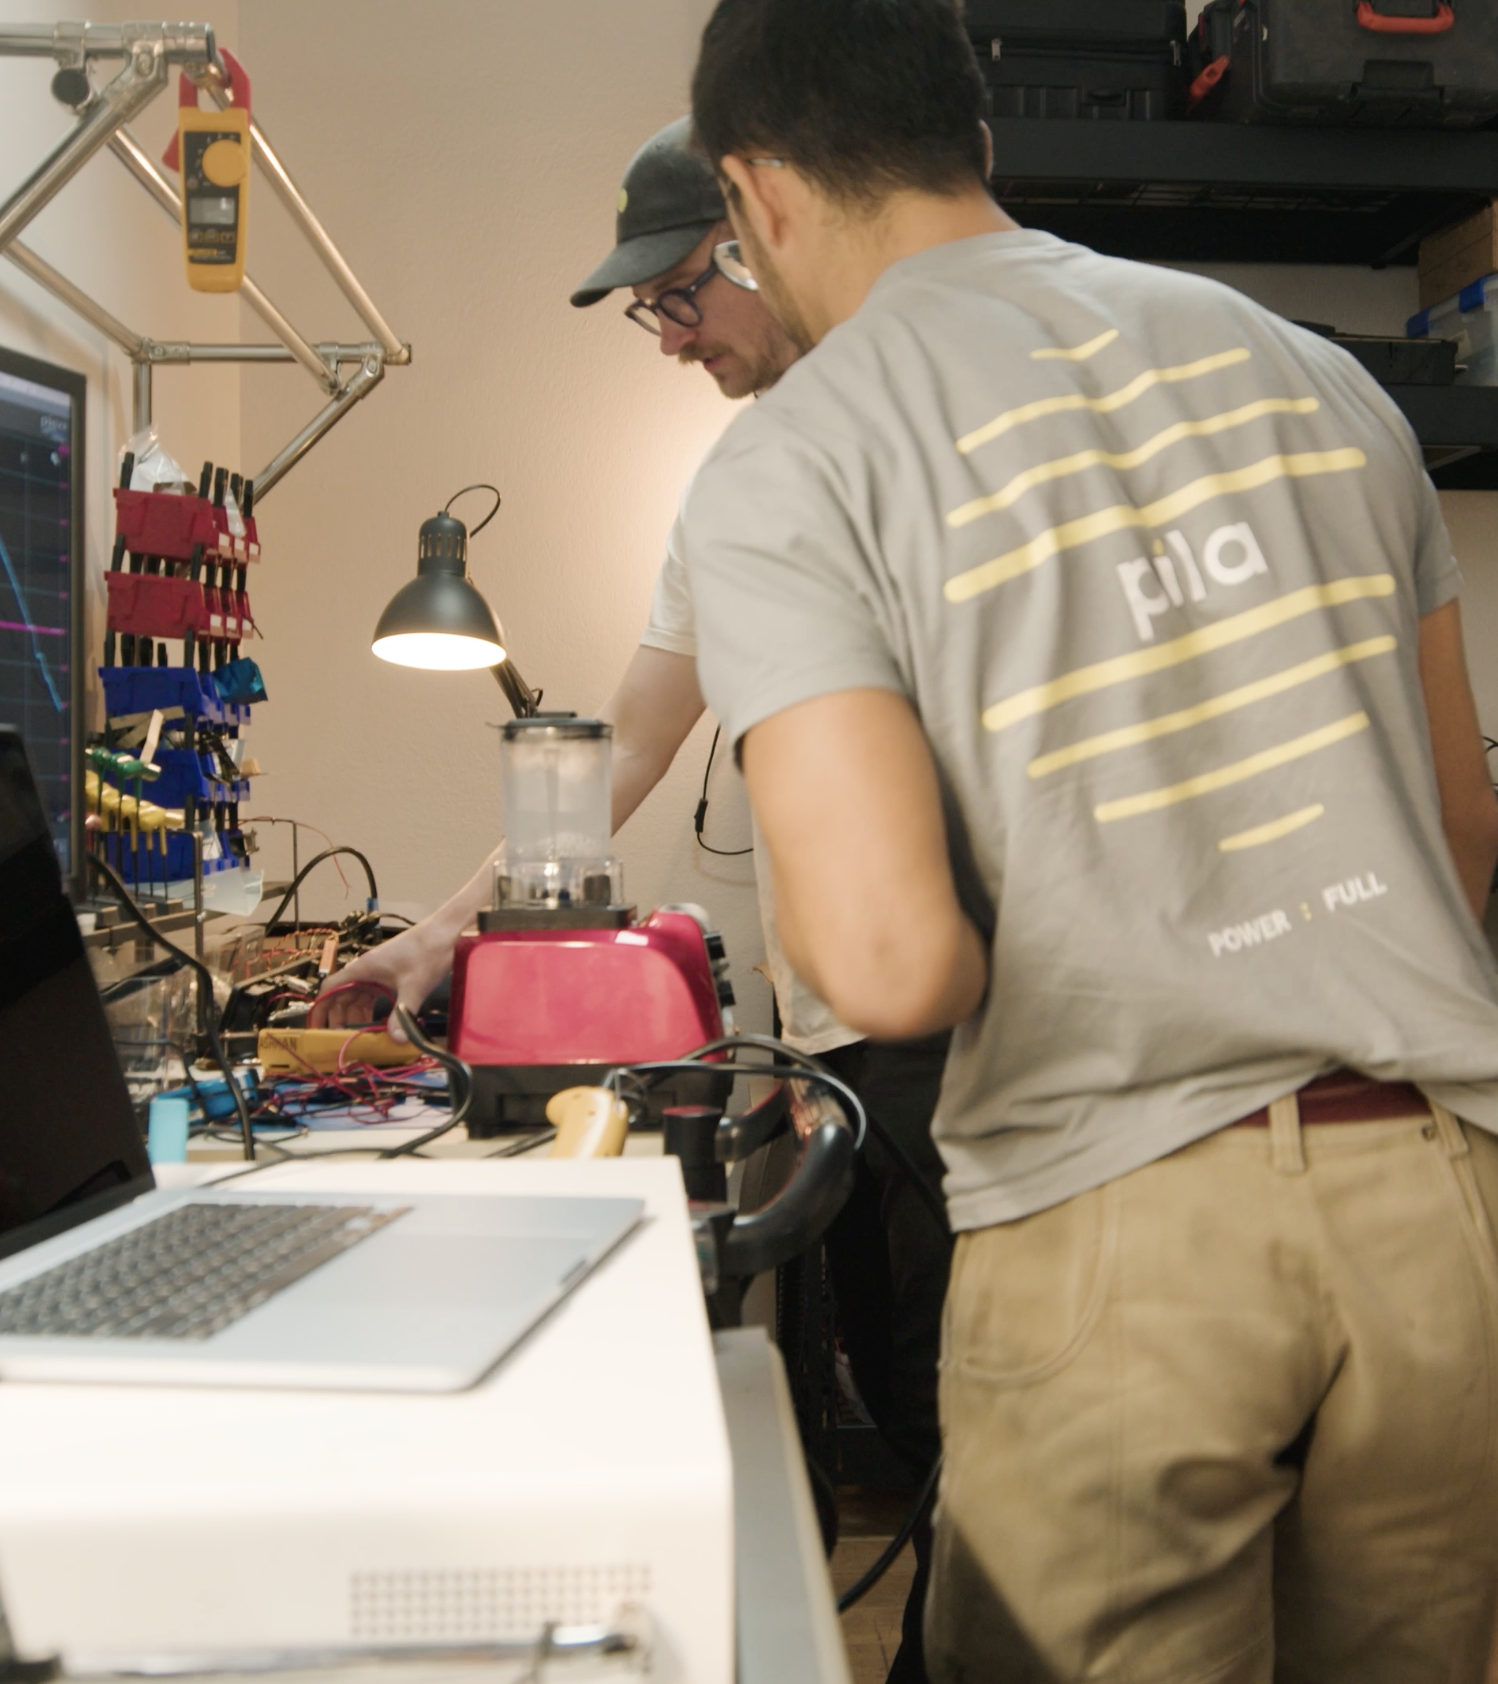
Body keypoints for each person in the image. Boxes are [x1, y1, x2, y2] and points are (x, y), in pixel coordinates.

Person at [680, 0, 1498, 1677]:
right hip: (1445, 1202)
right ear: (973, 140)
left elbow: (887, 964)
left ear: (750, 191)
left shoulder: (796, 458)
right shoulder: (1320, 376)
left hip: (1125, 1222)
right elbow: (1458, 831)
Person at [313, 119, 953, 1684]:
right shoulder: (740, 485)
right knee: (912, 1406)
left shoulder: (941, 430)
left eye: (674, 301)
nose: (666, 343)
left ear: (754, 243)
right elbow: (624, 745)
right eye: (644, 316)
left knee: (977, 1438)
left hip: (975, 1035)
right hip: (848, 1046)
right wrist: (433, 937)